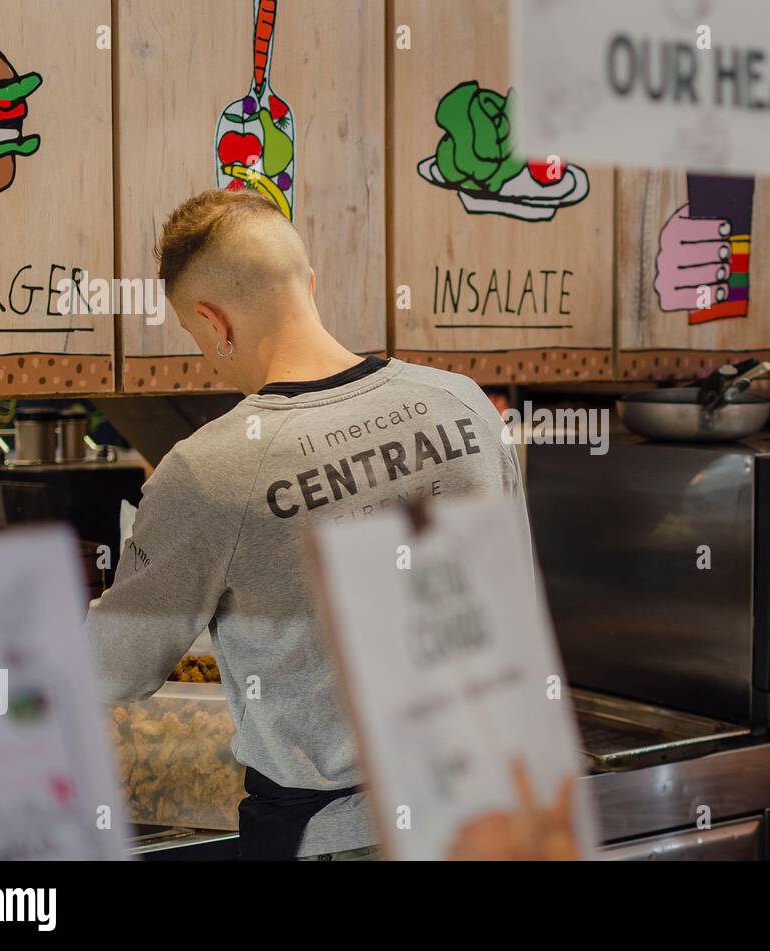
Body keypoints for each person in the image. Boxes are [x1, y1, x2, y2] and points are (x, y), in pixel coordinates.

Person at [87, 190, 529, 860]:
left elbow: (111, 669)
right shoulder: (461, 403)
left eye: (196, 338)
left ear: (212, 321)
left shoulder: (210, 469)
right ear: (310, 284)